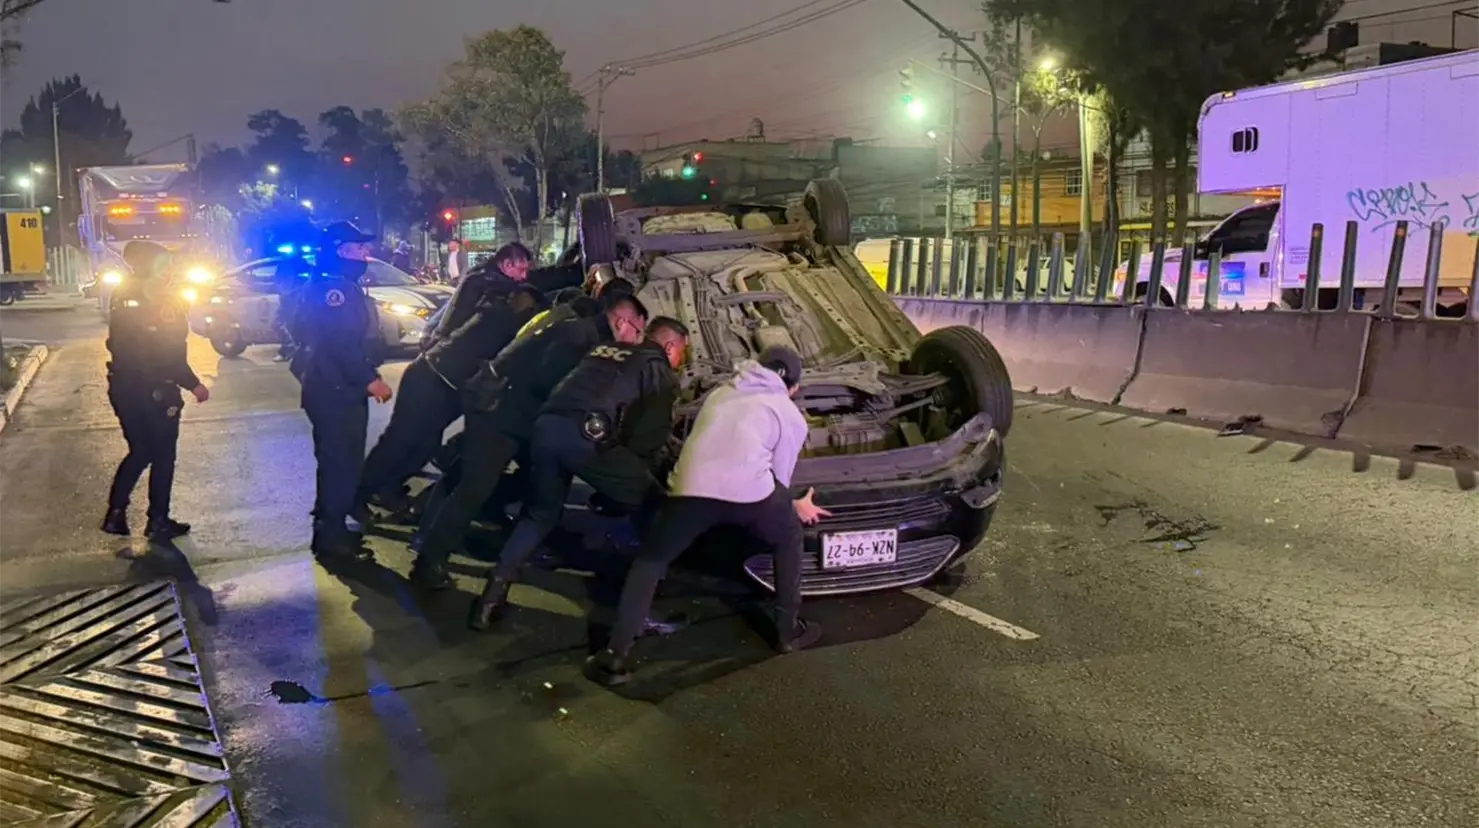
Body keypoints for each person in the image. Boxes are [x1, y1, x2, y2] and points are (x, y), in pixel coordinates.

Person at [583, 346, 830, 686]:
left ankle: (615, 655)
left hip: (688, 490)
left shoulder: (721, 392)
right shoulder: (788, 413)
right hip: (748, 493)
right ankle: (788, 632)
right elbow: (781, 479)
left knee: (652, 560)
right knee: (788, 537)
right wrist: (794, 505)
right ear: (794, 387)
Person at [412, 292, 649, 589]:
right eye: (639, 331)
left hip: (509, 414)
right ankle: (428, 562)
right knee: (475, 488)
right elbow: (545, 381)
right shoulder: (579, 338)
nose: (638, 340)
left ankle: (435, 540)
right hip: (502, 417)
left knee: (493, 482)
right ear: (623, 321)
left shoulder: (582, 332)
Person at [469, 316, 690, 631]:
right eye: (681, 352)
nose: (680, 359)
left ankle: (490, 600)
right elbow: (646, 441)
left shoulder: (605, 350)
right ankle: (640, 609)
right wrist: (624, 484)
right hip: (590, 438)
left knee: (539, 515)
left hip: (546, 428)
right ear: (669, 346)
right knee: (654, 508)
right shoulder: (659, 373)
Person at [356, 243, 539, 517]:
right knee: (400, 440)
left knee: (426, 442)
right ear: (505, 265)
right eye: (521, 269)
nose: (524, 277)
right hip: (432, 373)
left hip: (448, 379)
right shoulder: (485, 284)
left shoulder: (489, 283)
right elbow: (499, 296)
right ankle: (360, 493)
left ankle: (389, 488)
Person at [290, 221, 395, 563]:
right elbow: (339, 343)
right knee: (340, 463)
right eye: (357, 248)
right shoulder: (334, 289)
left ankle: (331, 527)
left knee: (339, 462)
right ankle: (330, 538)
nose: (365, 254)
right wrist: (368, 379)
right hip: (336, 390)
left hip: (333, 388)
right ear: (338, 250)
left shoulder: (332, 284)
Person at [100, 241, 211, 540]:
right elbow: (170, 353)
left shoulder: (121, 294)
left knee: (140, 450)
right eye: (165, 263)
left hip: (123, 386)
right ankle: (157, 520)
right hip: (156, 391)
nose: (170, 269)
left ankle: (116, 513)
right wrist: (194, 385)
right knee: (163, 455)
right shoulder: (163, 299)